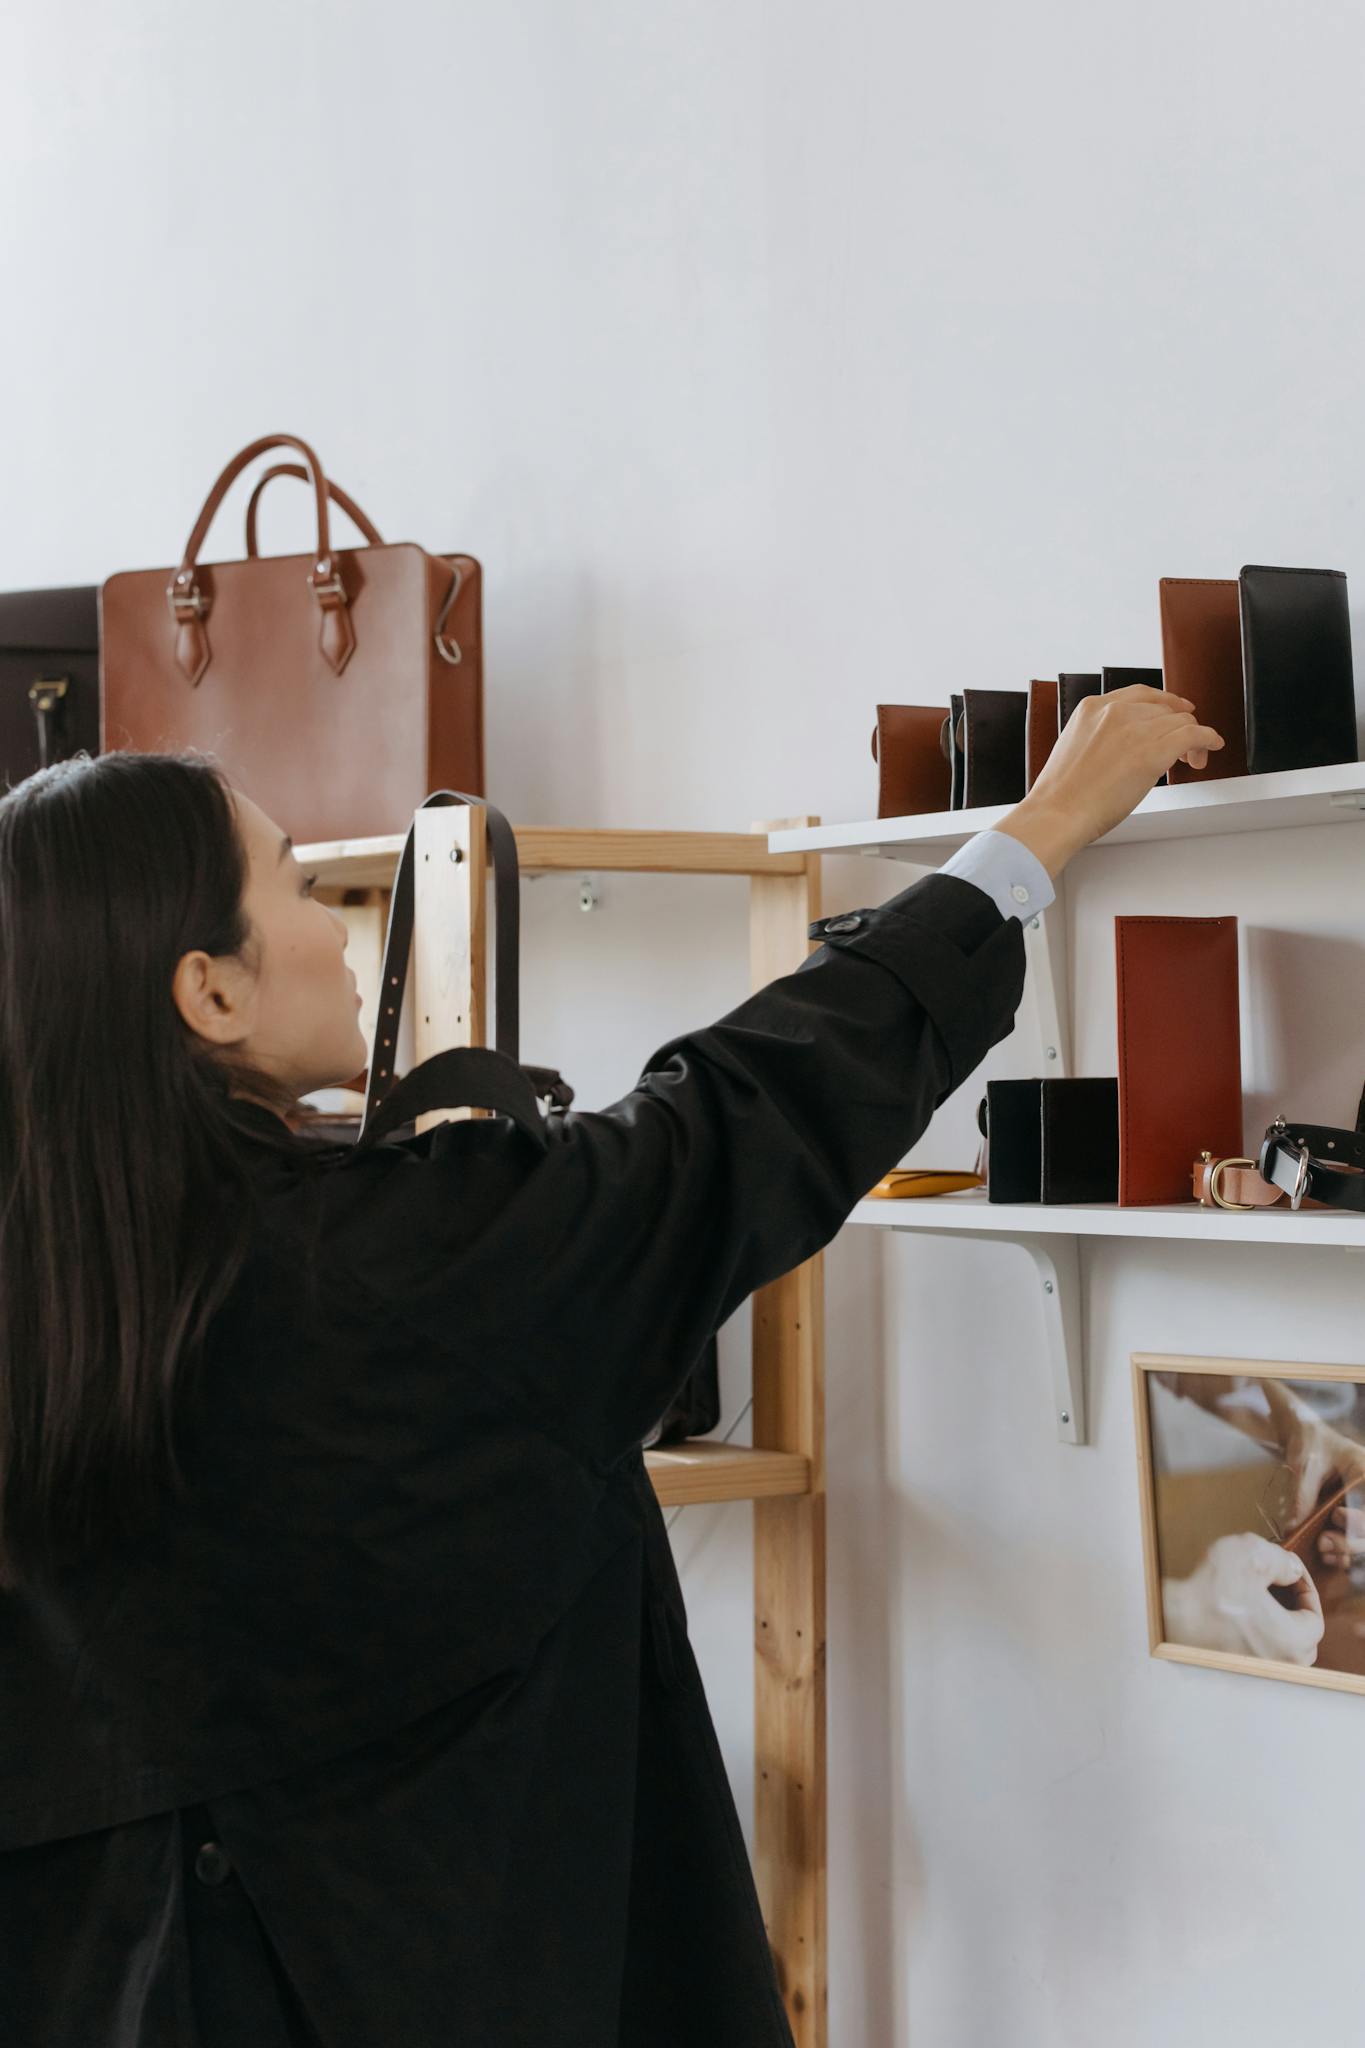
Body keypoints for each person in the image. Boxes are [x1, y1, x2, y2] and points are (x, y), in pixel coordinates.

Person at [0, 686, 1222, 2047]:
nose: (339, 937)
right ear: (207, 990)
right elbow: (740, 1117)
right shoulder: (410, 1260)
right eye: (295, 887)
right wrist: (1041, 828)